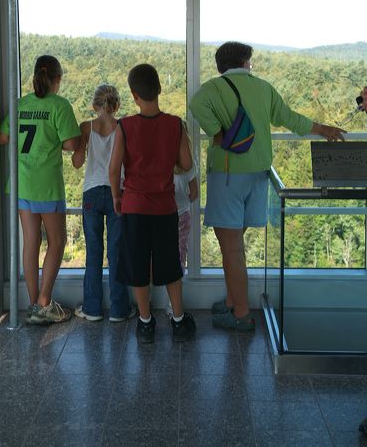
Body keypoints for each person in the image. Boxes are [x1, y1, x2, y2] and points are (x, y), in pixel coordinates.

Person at [189, 41, 345, 331]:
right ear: (245, 61)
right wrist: (322, 129)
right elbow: (289, 118)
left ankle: (241, 314)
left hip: (228, 174)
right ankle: (234, 304)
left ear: (221, 65)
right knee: (234, 247)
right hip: (259, 173)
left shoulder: (214, 88)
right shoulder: (263, 88)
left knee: (231, 249)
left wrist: (217, 133)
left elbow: (195, 104)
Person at [109, 63, 196, 343]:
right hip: (164, 208)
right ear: (159, 89)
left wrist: (116, 196)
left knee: (138, 266)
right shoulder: (174, 124)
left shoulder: (125, 126)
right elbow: (186, 163)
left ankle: (145, 323)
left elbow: (114, 169)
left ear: (134, 95)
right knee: (170, 265)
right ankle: (179, 321)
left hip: (134, 206)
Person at [0, 55, 80, 324]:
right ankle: (44, 304)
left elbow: (2, 137)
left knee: (31, 243)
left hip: (22, 183)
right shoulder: (60, 105)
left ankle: (33, 303)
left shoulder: (20, 104)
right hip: (47, 186)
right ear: (57, 80)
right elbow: (70, 144)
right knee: (57, 242)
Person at [72, 84, 132, 323]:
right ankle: (119, 309)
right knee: (116, 251)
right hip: (118, 190)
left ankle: (92, 308)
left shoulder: (86, 127)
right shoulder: (123, 128)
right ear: (116, 106)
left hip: (92, 192)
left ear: (94, 106)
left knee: (93, 251)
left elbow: (77, 162)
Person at [166, 124, 199, 316]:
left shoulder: (161, 160)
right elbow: (194, 192)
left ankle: (152, 301)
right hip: (183, 215)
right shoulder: (189, 163)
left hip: (162, 215)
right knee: (179, 257)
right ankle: (174, 305)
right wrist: (184, 201)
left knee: (159, 256)